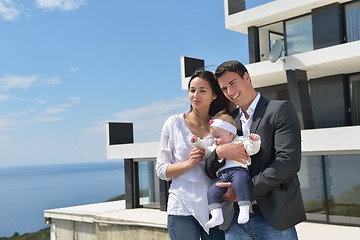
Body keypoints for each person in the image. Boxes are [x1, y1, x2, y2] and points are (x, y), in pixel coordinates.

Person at [205, 60, 306, 240]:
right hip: (236, 222)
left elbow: (288, 162)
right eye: (224, 88)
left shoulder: (279, 110)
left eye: (233, 83)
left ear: (247, 77)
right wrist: (220, 153)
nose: (230, 92)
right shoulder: (228, 122)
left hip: (274, 218)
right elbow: (210, 167)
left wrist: (244, 190)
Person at [155, 68, 230, 240]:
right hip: (181, 208)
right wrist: (188, 164)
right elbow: (161, 170)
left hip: (215, 208)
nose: (196, 95)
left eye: (202, 90)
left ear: (214, 95)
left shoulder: (221, 124)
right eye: (192, 90)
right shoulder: (173, 123)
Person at [191, 111, 261, 230]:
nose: (215, 140)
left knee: (240, 183)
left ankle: (244, 208)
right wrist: (197, 143)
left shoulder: (240, 141)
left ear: (230, 133)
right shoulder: (217, 148)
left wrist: (255, 141)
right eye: (213, 137)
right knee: (212, 191)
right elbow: (207, 151)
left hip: (239, 171)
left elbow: (252, 149)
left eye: (217, 137)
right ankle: (216, 214)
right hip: (223, 175)